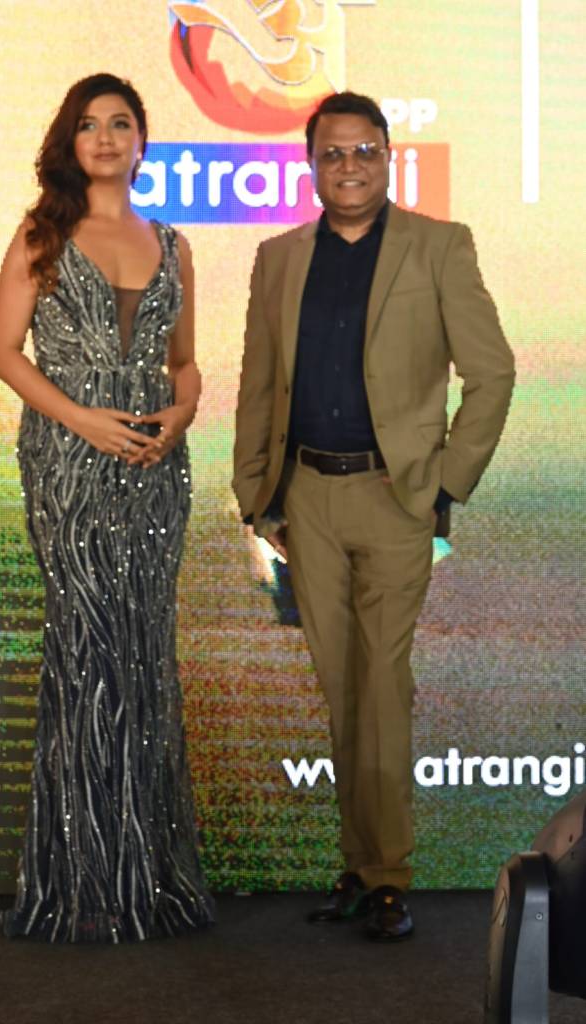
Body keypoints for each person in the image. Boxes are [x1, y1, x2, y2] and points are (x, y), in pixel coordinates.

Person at [233, 91, 514, 941]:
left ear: (387, 158)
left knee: (382, 685)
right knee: (341, 687)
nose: (348, 166)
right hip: (306, 501)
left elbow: (492, 373)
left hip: (396, 498)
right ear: (311, 164)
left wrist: (444, 486)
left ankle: (387, 875)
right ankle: (357, 869)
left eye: (364, 151)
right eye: (332, 153)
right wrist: (257, 498)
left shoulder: (439, 246)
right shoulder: (278, 258)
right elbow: (258, 382)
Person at [0, 72, 214, 942]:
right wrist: (83, 420)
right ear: (70, 141)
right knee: (86, 653)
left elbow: (183, 363)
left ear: (142, 140)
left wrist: (179, 415)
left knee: (144, 653)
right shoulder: (41, 235)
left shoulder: (172, 243)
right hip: (68, 464)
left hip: (155, 469)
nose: (107, 137)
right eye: (90, 124)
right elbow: (4, 353)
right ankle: (79, 881)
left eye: (121, 123)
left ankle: (146, 878)